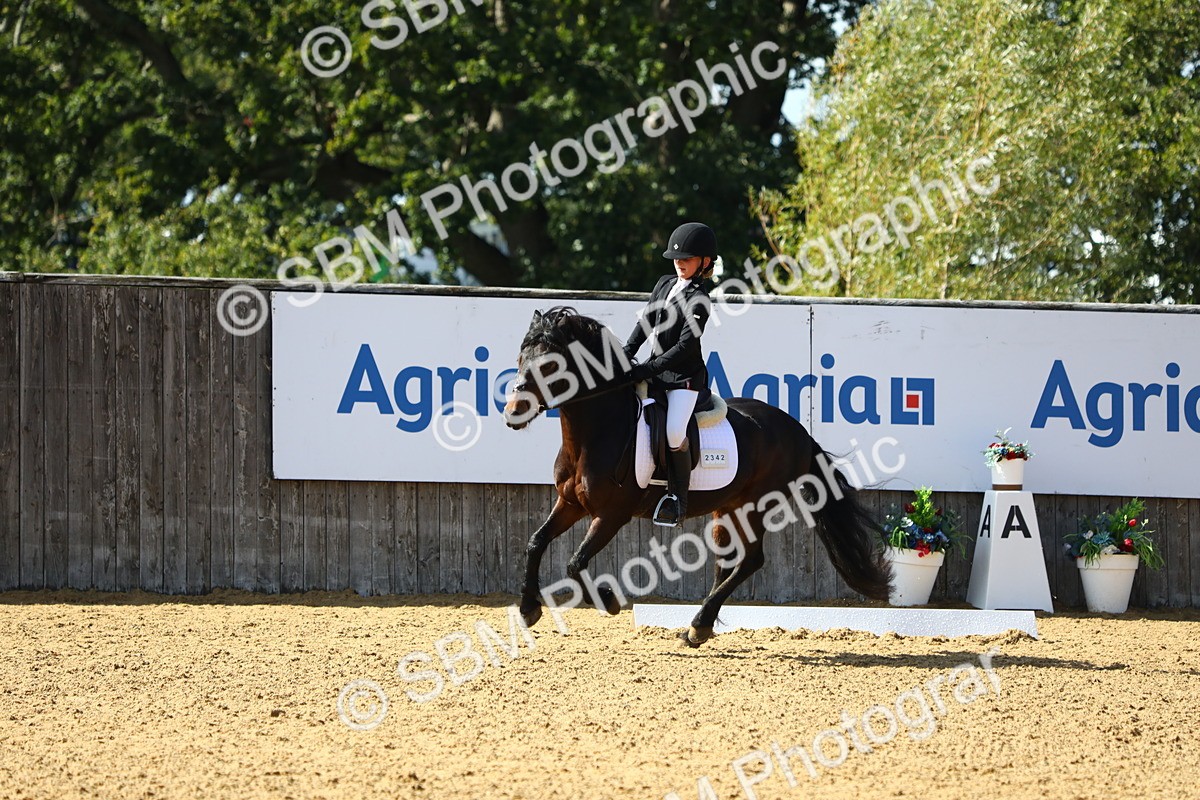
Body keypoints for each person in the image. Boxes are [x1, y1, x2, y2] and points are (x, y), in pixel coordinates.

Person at [624, 222, 717, 527]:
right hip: (656, 371)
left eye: (687, 259)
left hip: (683, 379)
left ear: (704, 262)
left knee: (675, 432)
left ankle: (678, 499)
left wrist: (645, 369)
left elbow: (684, 347)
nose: (679, 263)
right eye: (677, 258)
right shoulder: (664, 284)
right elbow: (646, 321)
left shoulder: (700, 299)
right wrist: (626, 352)